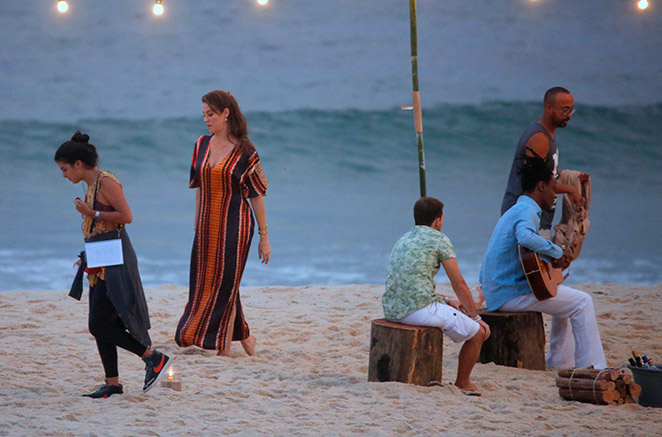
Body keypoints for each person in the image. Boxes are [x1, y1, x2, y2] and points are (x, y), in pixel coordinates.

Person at [55, 131, 170, 399]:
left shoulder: (106, 182)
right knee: (100, 321)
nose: (63, 176)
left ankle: (153, 357)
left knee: (99, 323)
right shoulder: (90, 185)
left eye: (64, 169)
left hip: (116, 259)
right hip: (100, 257)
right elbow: (99, 226)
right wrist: (86, 254)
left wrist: (90, 212)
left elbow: (126, 217)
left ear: (79, 164)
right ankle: (113, 383)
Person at [480, 155, 606, 370]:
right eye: (553, 187)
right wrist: (556, 252)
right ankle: (593, 367)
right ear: (540, 186)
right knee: (582, 302)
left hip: (499, 290)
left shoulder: (517, 210)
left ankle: (560, 362)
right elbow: (526, 238)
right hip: (509, 294)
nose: (555, 193)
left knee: (565, 299)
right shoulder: (527, 211)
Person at [175, 90, 270, 356]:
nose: (206, 119)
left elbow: (256, 195)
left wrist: (264, 237)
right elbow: (198, 186)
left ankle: (223, 349)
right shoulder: (201, 145)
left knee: (226, 282)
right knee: (205, 281)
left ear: (226, 114)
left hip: (235, 227)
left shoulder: (245, 151)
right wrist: (197, 220)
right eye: (204, 114)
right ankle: (246, 337)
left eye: (211, 114)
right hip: (206, 225)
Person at [383, 197, 490, 395]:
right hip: (415, 311)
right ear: (438, 220)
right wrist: (475, 317)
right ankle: (463, 382)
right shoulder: (440, 239)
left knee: (452, 306)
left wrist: (447, 301)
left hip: (391, 308)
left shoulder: (404, 238)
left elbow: (413, 285)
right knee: (479, 333)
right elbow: (459, 283)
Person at [501, 86, 588, 238]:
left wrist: (569, 176)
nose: (569, 115)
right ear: (548, 108)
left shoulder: (546, 135)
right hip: (526, 220)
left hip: (536, 219)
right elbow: (535, 183)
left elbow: (545, 172)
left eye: (571, 111)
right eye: (564, 110)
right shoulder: (539, 139)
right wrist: (571, 190)